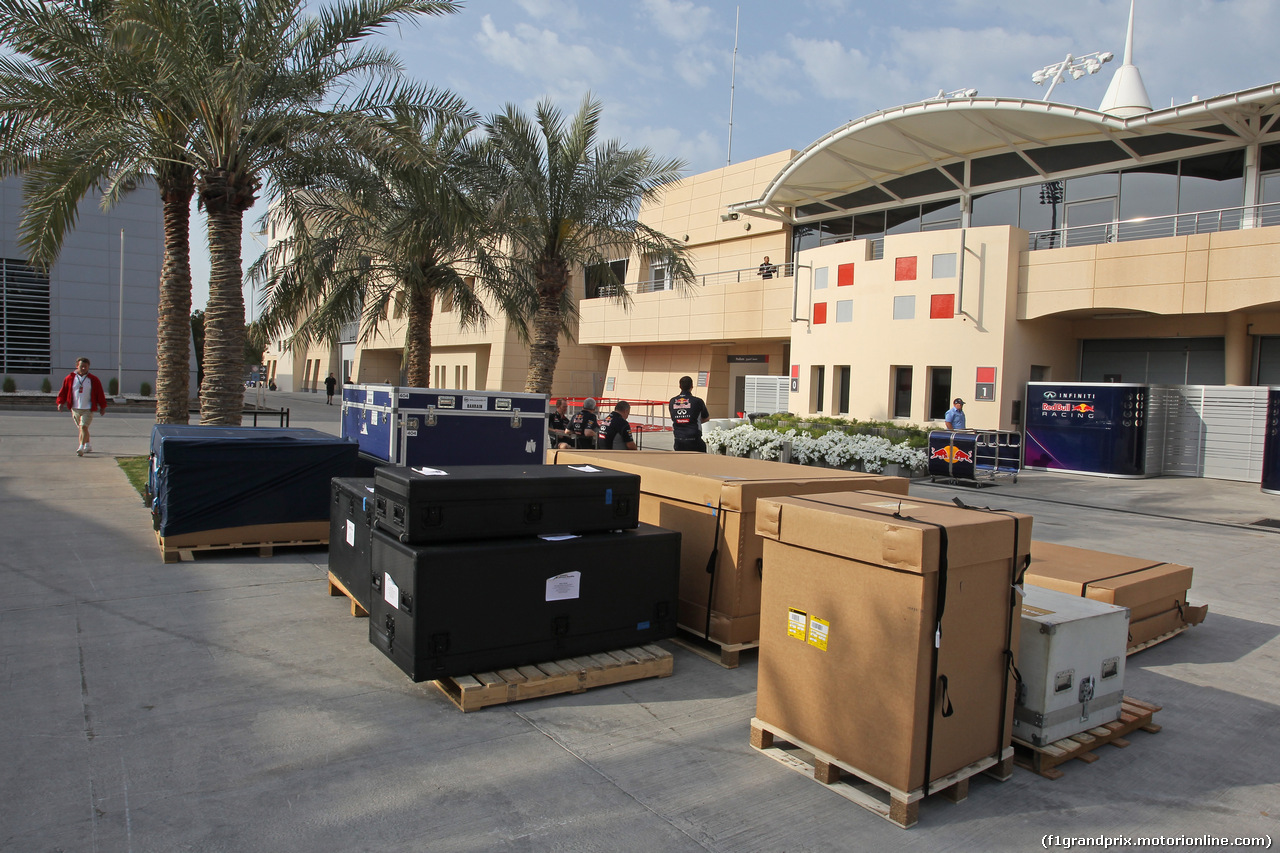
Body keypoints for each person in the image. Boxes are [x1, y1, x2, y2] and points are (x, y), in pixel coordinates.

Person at [55, 357, 108, 456]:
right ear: (77, 366)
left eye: (86, 367)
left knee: (83, 427)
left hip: (88, 408)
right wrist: (60, 402)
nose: (84, 368)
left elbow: (100, 393)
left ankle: (81, 447)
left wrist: (103, 406)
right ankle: (88, 445)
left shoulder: (93, 379)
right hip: (75, 408)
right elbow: (64, 391)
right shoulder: (70, 378)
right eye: (82, 366)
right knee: (82, 428)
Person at [669, 376, 710, 452]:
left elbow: (673, 418)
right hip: (694, 440)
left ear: (680, 386)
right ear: (692, 386)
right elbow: (706, 418)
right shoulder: (698, 401)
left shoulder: (672, 401)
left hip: (678, 440)